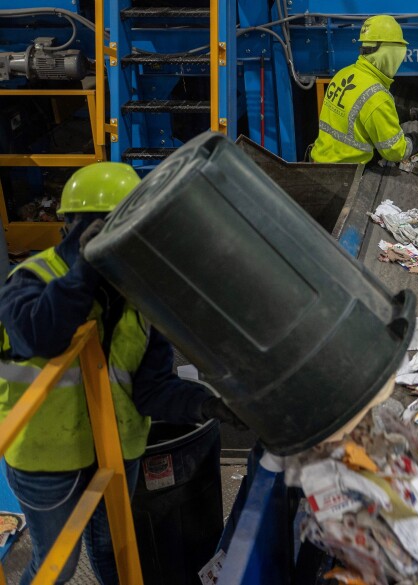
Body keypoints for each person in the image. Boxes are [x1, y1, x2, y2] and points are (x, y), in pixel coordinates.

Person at [0, 162, 245, 585]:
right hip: (46, 459)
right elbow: (42, 335)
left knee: (115, 552)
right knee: (56, 565)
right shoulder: (31, 279)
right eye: (100, 229)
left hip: (116, 453)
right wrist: (84, 272)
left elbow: (152, 389)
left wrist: (209, 405)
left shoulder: (136, 297)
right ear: (70, 228)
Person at [310, 15, 418, 164]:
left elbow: (365, 115)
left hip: (321, 162)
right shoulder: (377, 96)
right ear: (390, 53)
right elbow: (396, 151)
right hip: (347, 172)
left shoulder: (344, 74)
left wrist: (412, 114)